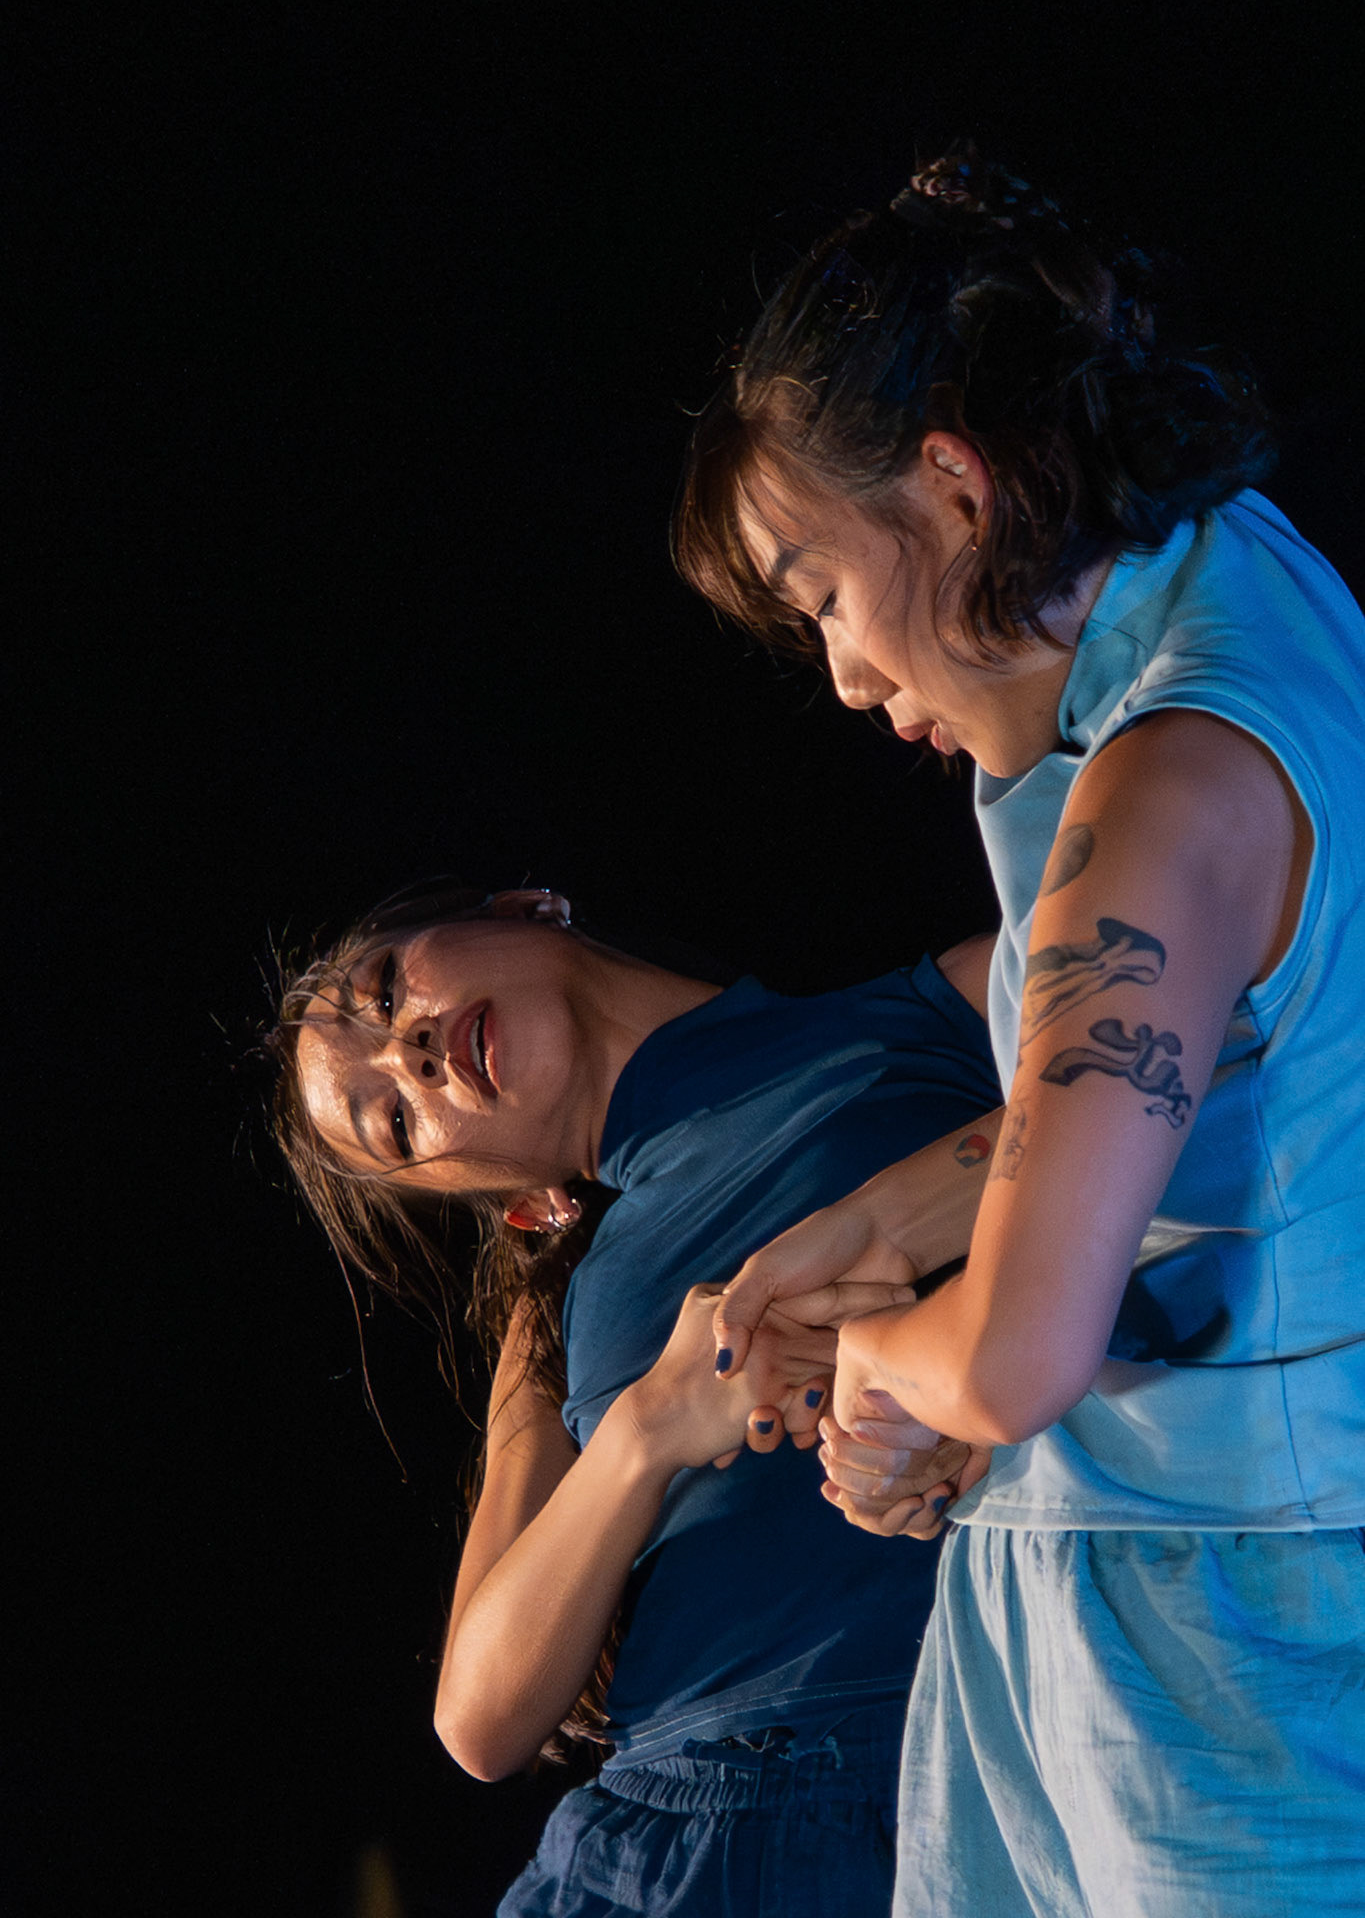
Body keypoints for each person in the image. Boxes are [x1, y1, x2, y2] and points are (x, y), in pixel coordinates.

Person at [674, 150, 1365, 1915]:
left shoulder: (1160, 785)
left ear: (957, 487)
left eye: (820, 594)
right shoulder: (1253, 579)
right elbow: (1213, 1079)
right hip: (1199, 1590)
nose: (845, 676)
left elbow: (1014, 1356)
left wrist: (883, 1369)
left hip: (1216, 1651)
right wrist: (875, 1232)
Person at [270, 882, 1002, 1916]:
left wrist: (907, 1270)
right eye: (395, 1120)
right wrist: (648, 1428)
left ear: (525, 905)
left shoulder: (930, 1010)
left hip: (979, 1745)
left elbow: (1187, 1071)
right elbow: (480, 1719)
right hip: (676, 1829)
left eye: (385, 992)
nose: (411, 1056)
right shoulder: (551, 1307)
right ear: (524, 1207)